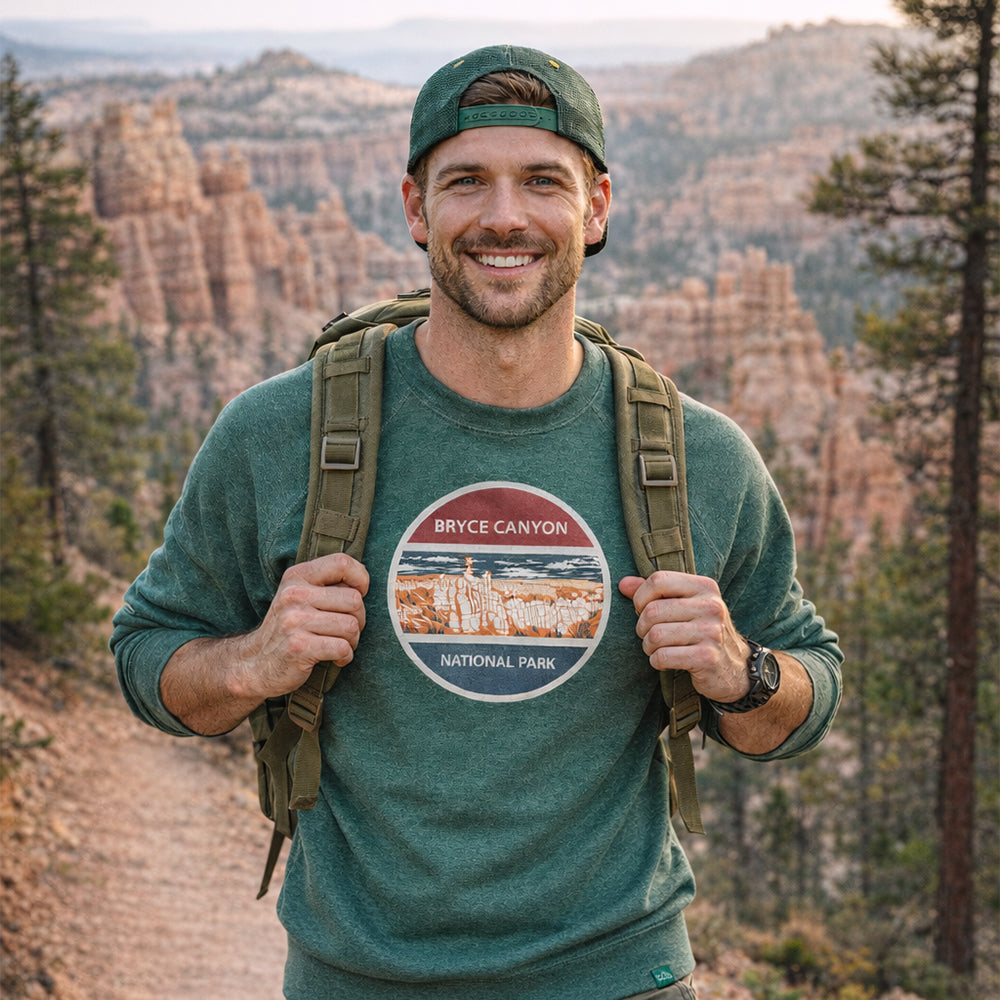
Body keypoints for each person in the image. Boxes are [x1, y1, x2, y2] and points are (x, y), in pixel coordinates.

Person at [111, 44, 842, 1000]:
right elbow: (145, 657)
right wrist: (253, 661)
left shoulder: (698, 457)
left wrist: (741, 672)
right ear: (417, 208)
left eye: (543, 180)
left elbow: (807, 692)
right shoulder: (277, 433)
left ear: (598, 206)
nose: (505, 216)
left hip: (620, 974)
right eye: (467, 183)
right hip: (357, 977)